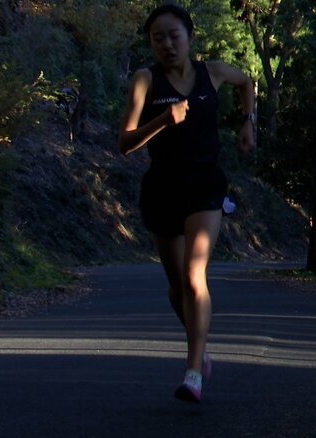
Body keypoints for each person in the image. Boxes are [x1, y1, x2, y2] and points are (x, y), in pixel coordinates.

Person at [117, 3, 256, 403]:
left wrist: (249, 121)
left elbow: (247, 82)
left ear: (190, 37)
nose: (166, 44)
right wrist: (163, 121)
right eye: (157, 37)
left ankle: (193, 370)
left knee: (195, 275)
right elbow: (124, 143)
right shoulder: (145, 80)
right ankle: (201, 345)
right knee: (177, 287)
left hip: (205, 188)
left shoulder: (212, 73)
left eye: (173, 35)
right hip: (162, 190)